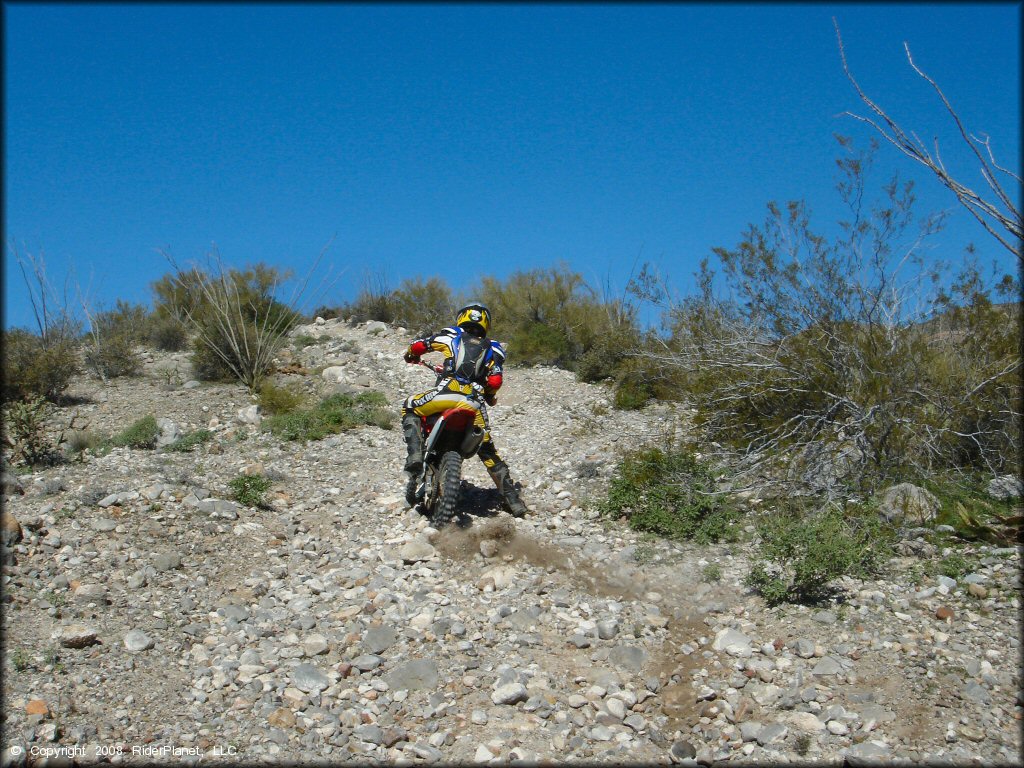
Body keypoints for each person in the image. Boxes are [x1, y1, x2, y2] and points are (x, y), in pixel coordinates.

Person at [401, 302, 529, 517]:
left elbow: (420, 346)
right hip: (474, 402)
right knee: (488, 451)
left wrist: (411, 355)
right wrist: (488, 395)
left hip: (446, 393)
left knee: (409, 407)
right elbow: (495, 380)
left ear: (462, 318)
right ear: (486, 322)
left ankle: (415, 455)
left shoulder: (452, 335)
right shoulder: (494, 348)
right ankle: (513, 501)